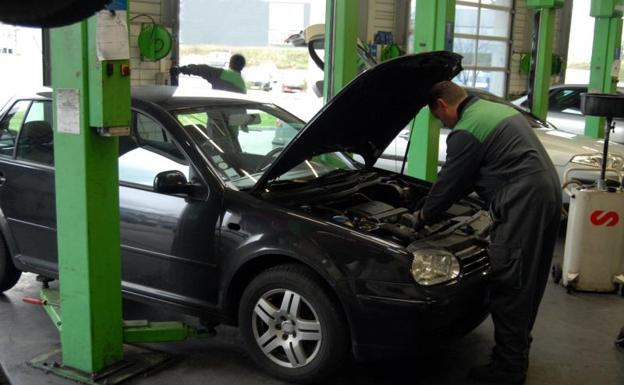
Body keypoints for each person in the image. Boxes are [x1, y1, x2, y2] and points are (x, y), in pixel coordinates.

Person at [414, 81, 561, 384]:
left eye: (440, 119)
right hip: (545, 194)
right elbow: (473, 174)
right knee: (528, 281)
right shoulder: (493, 109)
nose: (443, 124)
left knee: (511, 282)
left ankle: (509, 370)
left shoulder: (467, 129)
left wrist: (423, 215)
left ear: (442, 105)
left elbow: (450, 182)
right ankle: (515, 351)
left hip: (523, 201)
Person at [170, 53, 247, 94]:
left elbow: (201, 69)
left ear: (230, 63)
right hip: (235, 121)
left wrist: (179, 70)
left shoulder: (221, 74)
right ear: (242, 66)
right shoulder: (242, 85)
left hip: (216, 120)